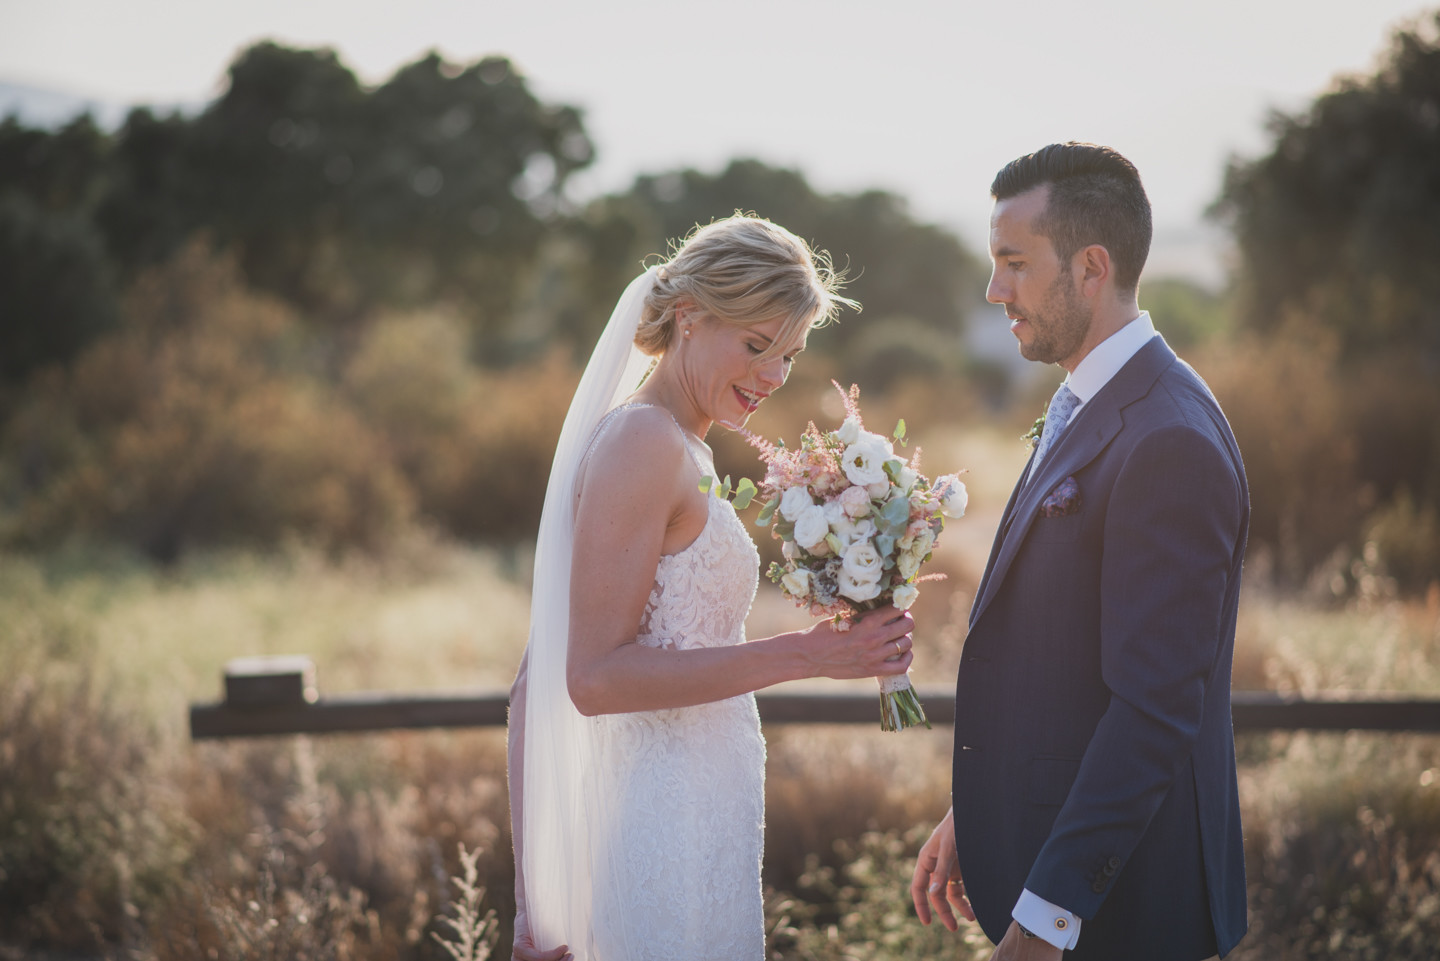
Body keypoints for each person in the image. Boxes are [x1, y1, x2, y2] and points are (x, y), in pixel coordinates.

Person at [507, 213, 917, 961]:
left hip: (705, 810)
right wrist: (804, 654)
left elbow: (532, 680)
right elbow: (587, 678)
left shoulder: (682, 444)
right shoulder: (643, 442)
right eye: (756, 345)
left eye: (789, 356)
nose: (772, 376)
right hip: (659, 822)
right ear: (690, 318)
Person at [910, 143, 1250, 960]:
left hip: (1123, 914)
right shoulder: (1085, 398)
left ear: (1091, 267)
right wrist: (982, 809)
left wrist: (1049, 918)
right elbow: (1062, 656)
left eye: (1014, 263)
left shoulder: (1169, 438)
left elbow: (1154, 709)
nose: (996, 291)